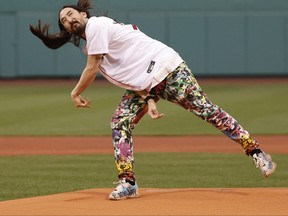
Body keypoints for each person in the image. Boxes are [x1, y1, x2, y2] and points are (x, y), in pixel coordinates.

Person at [30, 0, 276, 200]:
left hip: (169, 69)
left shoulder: (97, 26)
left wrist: (75, 93)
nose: (68, 19)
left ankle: (256, 152)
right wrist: (148, 99)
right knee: (120, 121)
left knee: (207, 111)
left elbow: (91, 68)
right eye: (64, 20)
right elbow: (128, 76)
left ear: (83, 14)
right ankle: (128, 183)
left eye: (71, 14)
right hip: (148, 84)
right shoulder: (96, 47)